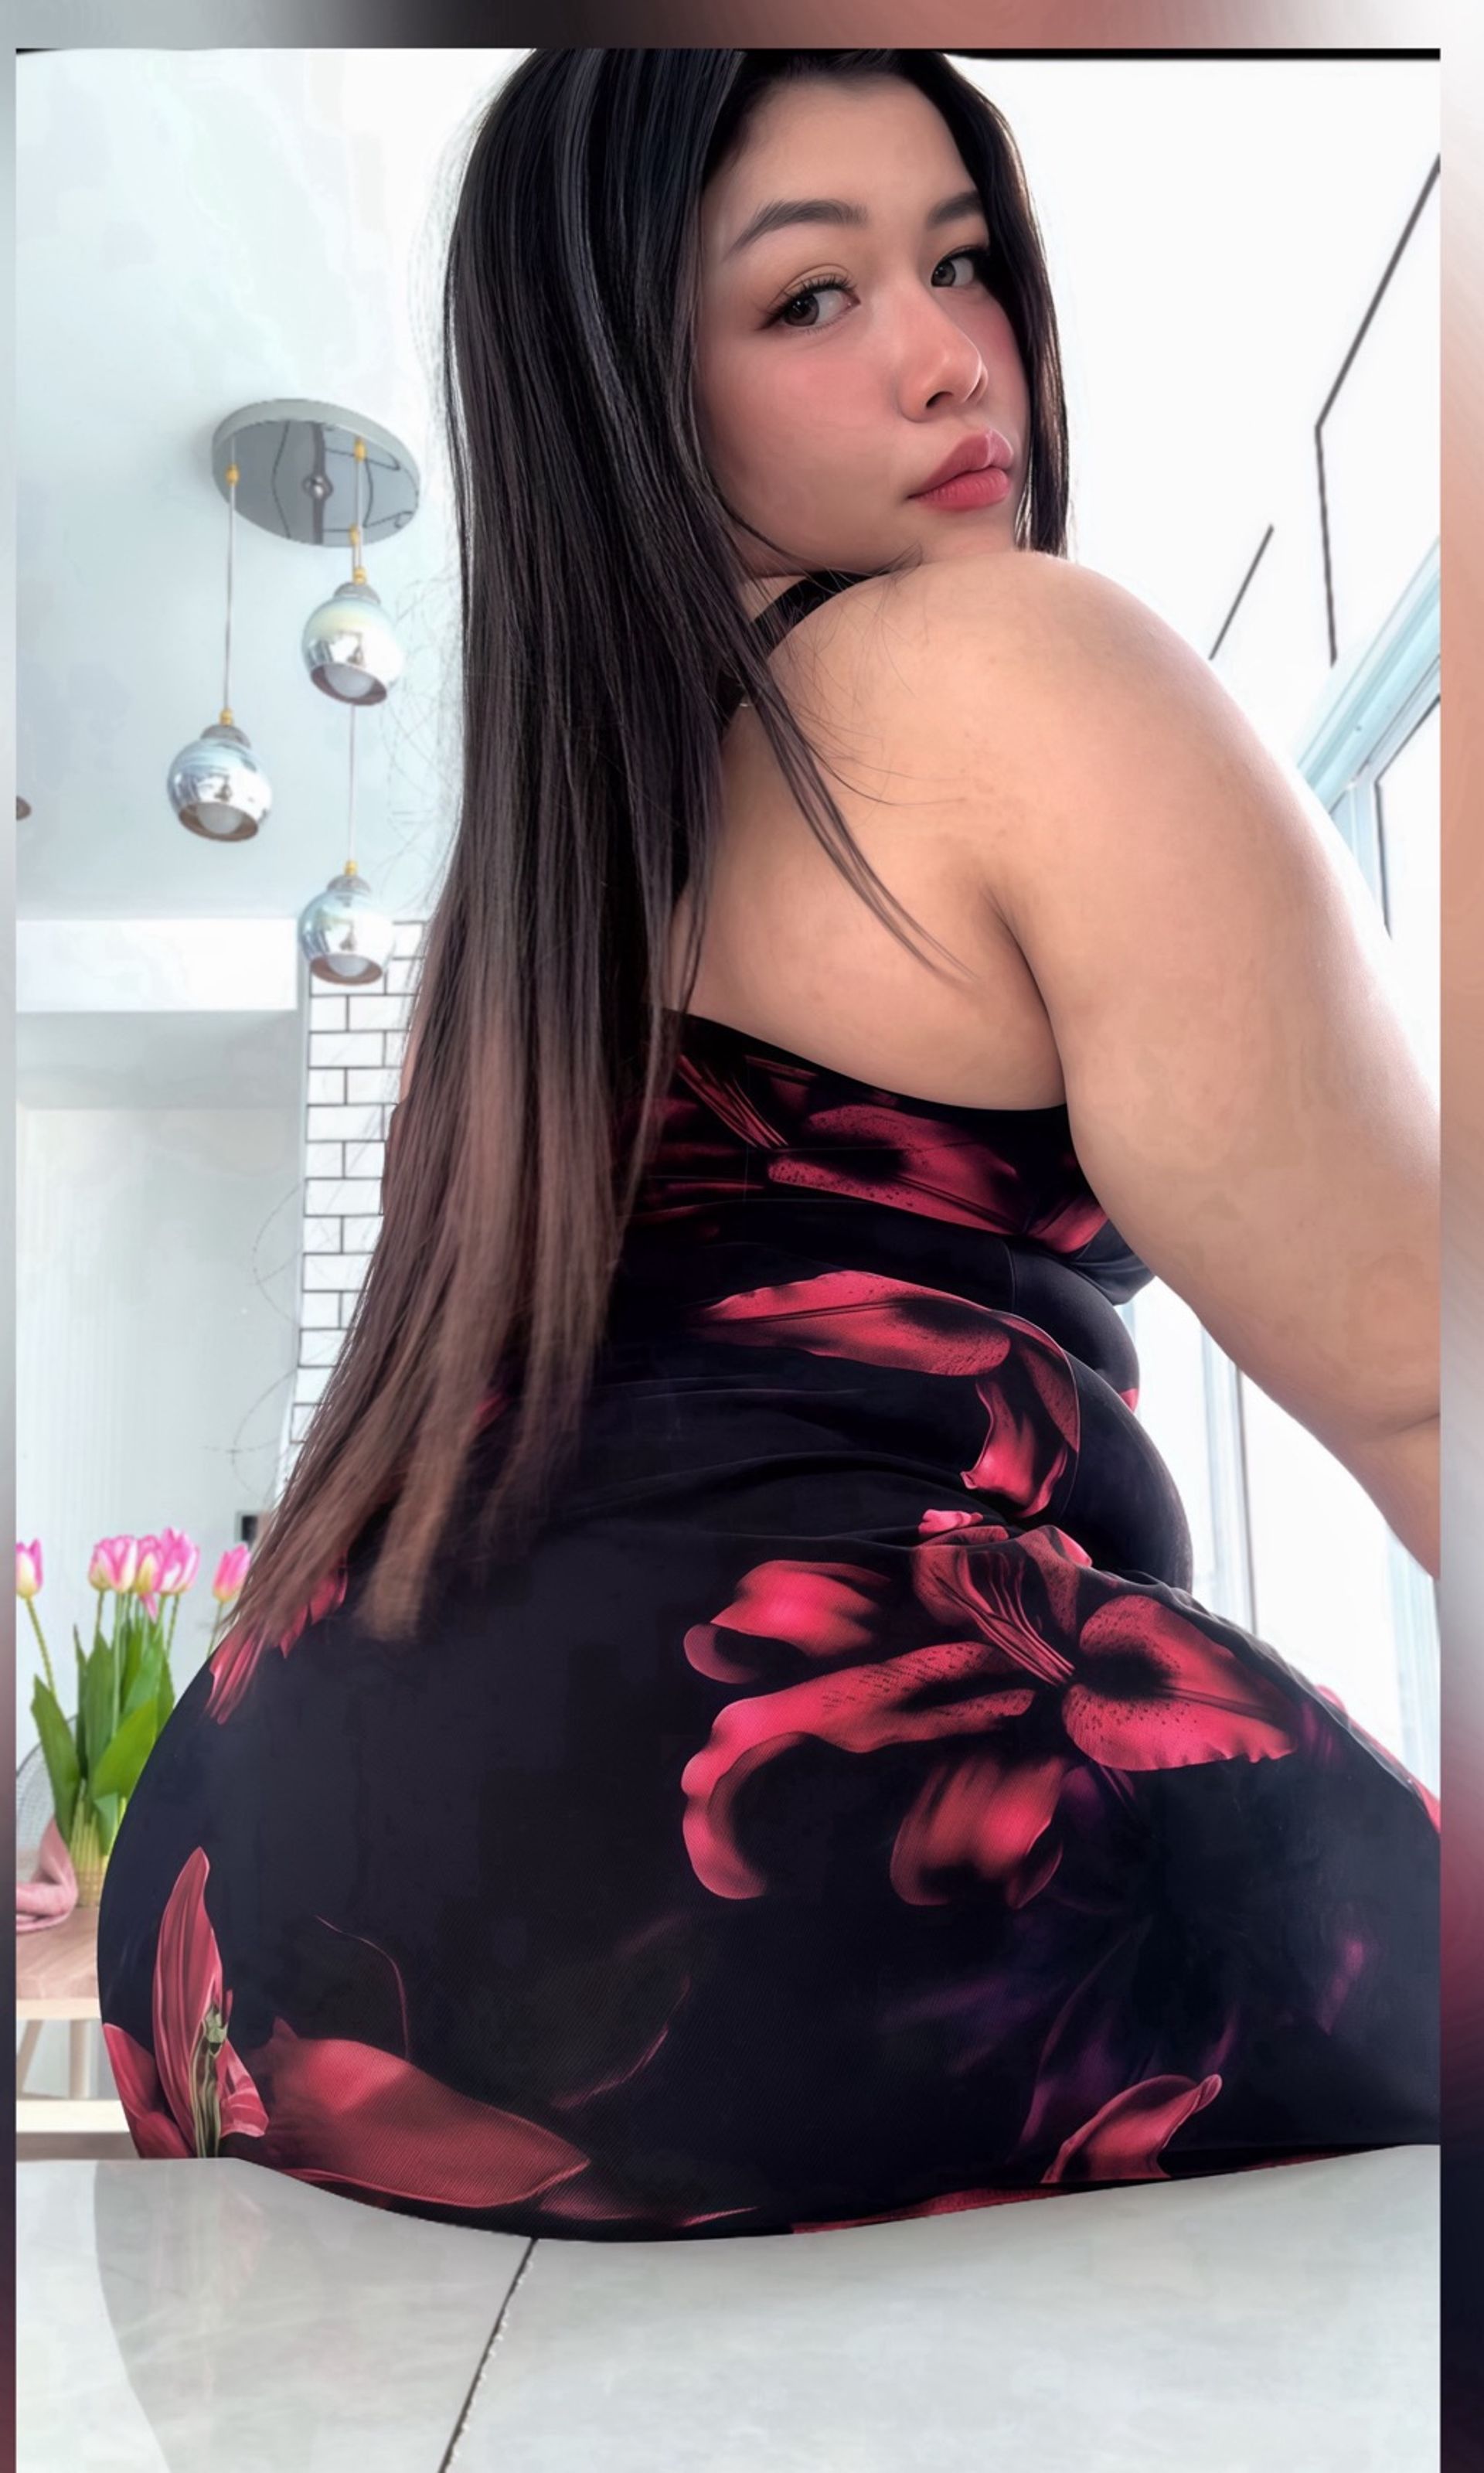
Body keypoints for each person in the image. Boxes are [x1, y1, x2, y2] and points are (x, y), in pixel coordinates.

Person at [97, 49, 1438, 2240]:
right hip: (739, 1848)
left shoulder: (532, 927)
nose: (952, 358)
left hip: (251, 1908)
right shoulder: (1009, 665)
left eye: (965, 262)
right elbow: (1423, 1380)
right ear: (630, 390)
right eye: (811, 297)